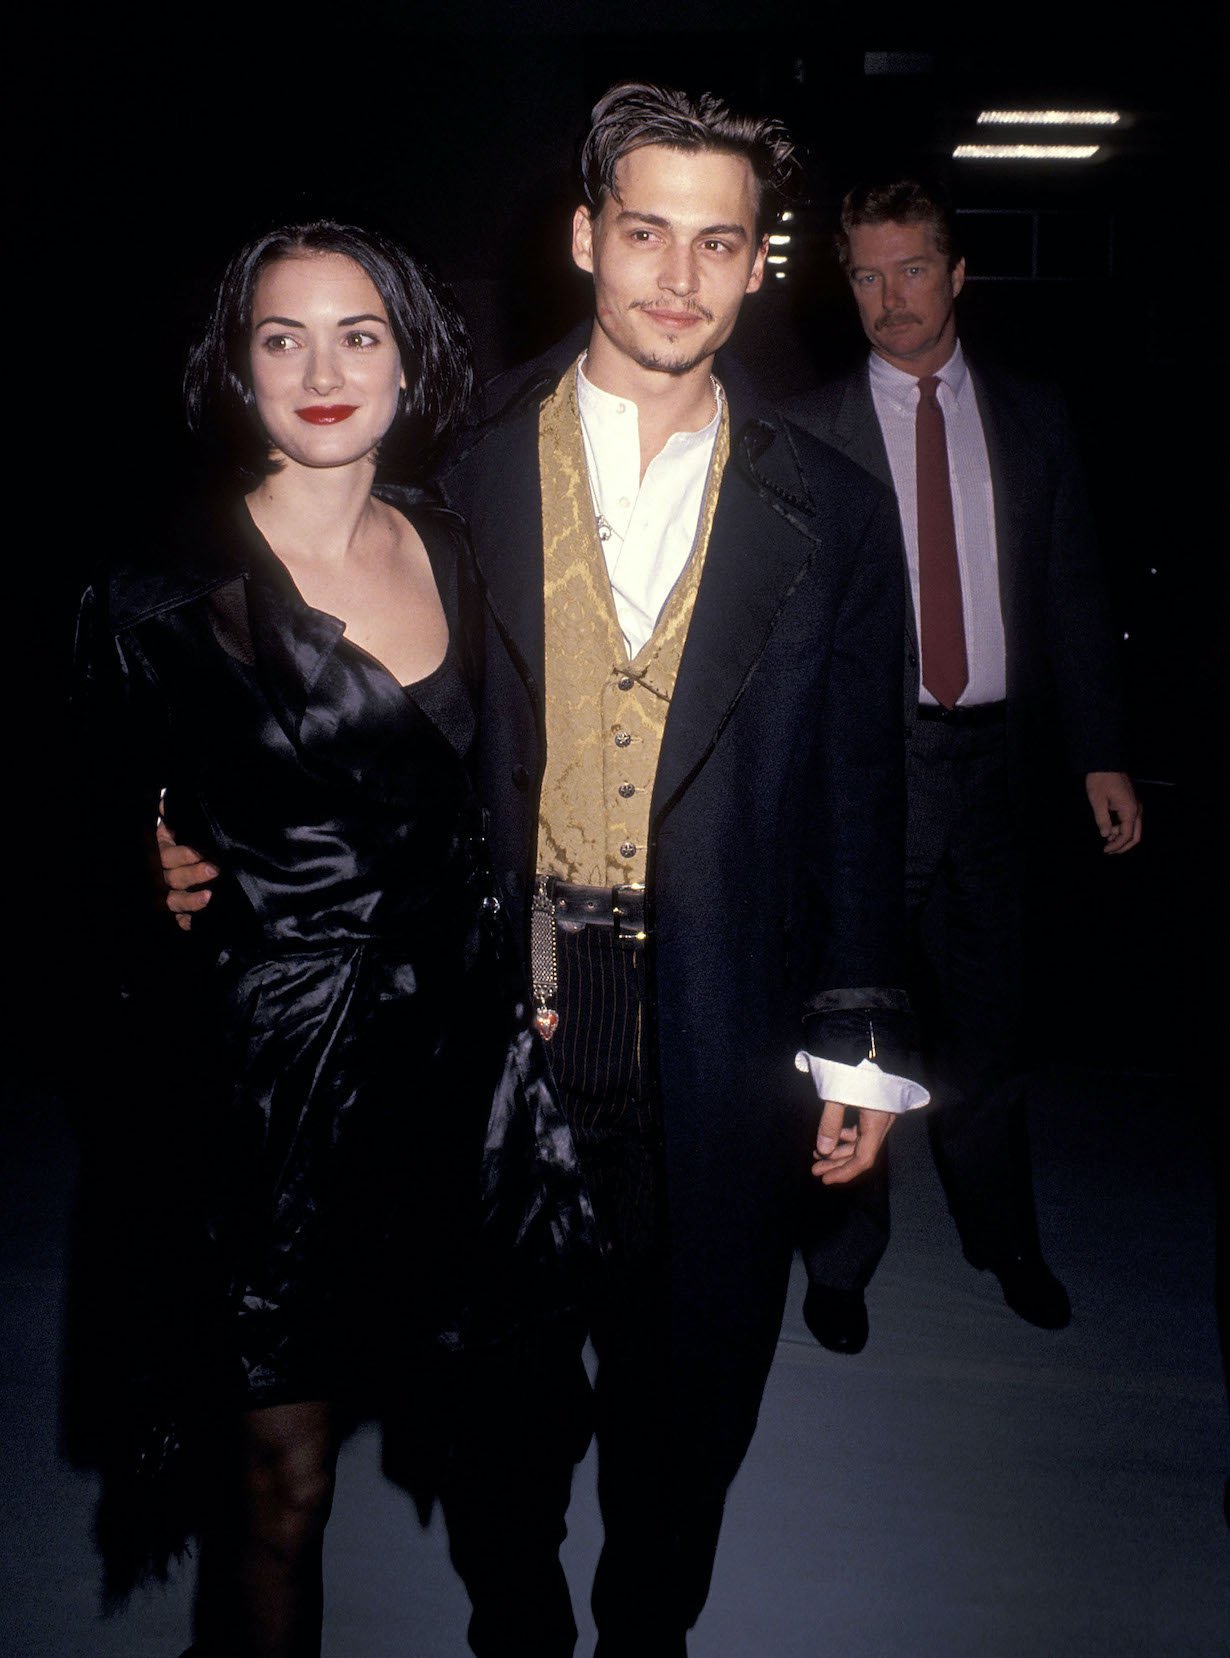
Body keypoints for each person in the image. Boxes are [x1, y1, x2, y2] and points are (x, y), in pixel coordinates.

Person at [161, 85, 928, 1654]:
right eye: (643, 231)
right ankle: (517, 1624)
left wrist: (857, 1033)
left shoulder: (833, 510)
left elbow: (864, 785)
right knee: (498, 1404)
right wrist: (179, 815)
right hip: (495, 1021)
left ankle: (646, 1631)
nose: (675, 275)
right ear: (585, 235)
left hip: (721, 1017)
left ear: (756, 263)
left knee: (691, 1396)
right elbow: (298, 645)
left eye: (718, 242)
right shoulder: (458, 468)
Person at [75, 220, 588, 1658]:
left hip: (454, 1079)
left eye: (357, 332)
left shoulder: (463, 540)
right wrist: (135, 858)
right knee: (280, 1486)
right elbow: (64, 838)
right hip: (265, 1096)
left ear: (408, 354)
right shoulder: (158, 596)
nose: (320, 367)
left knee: (503, 1434)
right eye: (281, 336)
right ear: (235, 367)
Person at [784, 178, 1142, 1354]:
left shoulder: (1037, 418)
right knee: (855, 1025)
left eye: (913, 269)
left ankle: (1006, 1240)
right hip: (862, 774)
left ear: (957, 274)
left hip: (996, 774)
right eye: (868, 275)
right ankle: (839, 1260)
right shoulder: (806, 430)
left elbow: (1076, 595)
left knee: (992, 1030)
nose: (891, 298)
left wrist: (1101, 753)